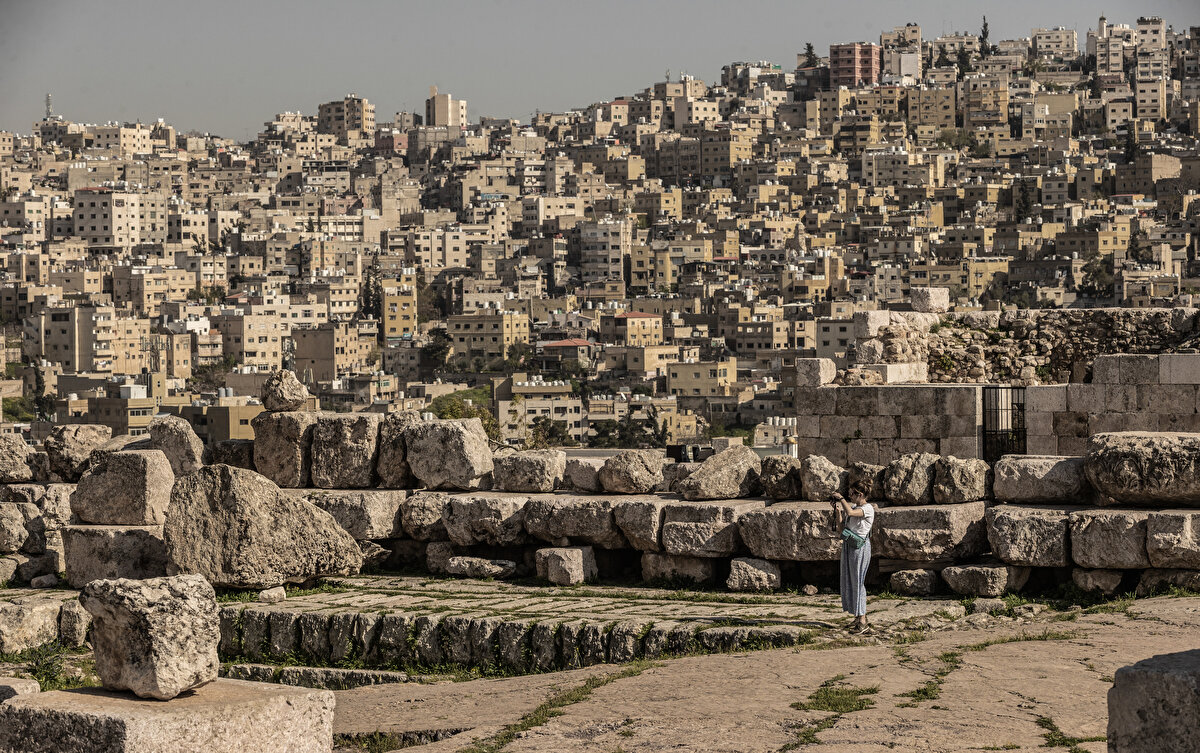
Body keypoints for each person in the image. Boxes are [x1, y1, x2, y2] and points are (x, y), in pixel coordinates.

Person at [831, 482, 875, 634]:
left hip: (860, 548)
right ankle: (858, 616)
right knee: (849, 580)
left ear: (860, 495)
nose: (849, 497)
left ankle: (862, 621)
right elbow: (842, 527)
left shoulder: (867, 509)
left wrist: (842, 499)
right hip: (849, 546)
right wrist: (838, 512)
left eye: (851, 494)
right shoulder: (855, 508)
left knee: (858, 582)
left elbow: (850, 513)